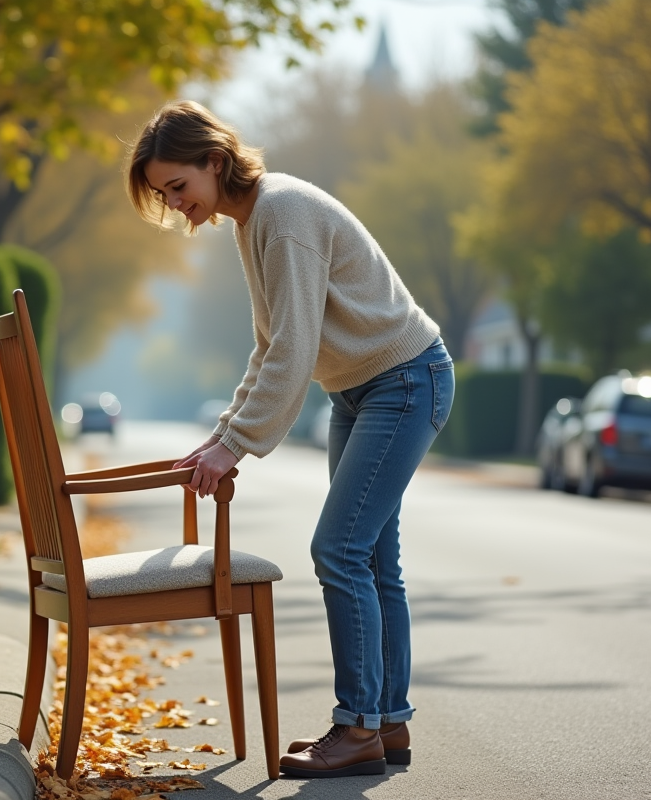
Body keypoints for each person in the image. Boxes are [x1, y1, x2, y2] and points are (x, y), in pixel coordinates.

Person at [124, 100, 454, 779]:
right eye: (163, 194)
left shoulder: (281, 213)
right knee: (371, 560)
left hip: (404, 381)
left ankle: (357, 725)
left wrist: (236, 444)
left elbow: (295, 350)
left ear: (214, 161)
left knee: (338, 549)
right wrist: (220, 436)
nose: (173, 204)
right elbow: (272, 345)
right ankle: (386, 724)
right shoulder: (250, 223)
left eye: (178, 186)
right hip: (364, 388)